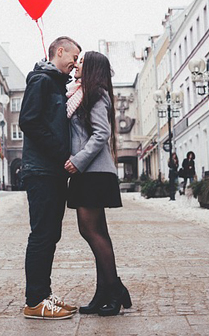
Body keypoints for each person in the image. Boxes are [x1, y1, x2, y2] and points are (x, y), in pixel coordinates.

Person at [19, 36, 82, 320]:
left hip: (52, 170)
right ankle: (34, 301)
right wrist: (61, 154)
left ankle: (44, 295)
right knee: (42, 235)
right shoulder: (42, 81)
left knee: (50, 235)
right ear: (60, 51)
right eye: (74, 56)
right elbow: (29, 121)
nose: (75, 63)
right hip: (42, 170)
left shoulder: (56, 83)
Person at [64, 51, 131, 317]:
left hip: (92, 171)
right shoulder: (78, 94)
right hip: (87, 172)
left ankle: (113, 290)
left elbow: (101, 133)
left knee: (91, 232)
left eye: (81, 62)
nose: (76, 66)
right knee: (97, 232)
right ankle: (106, 290)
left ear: (91, 68)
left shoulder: (97, 94)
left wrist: (78, 160)